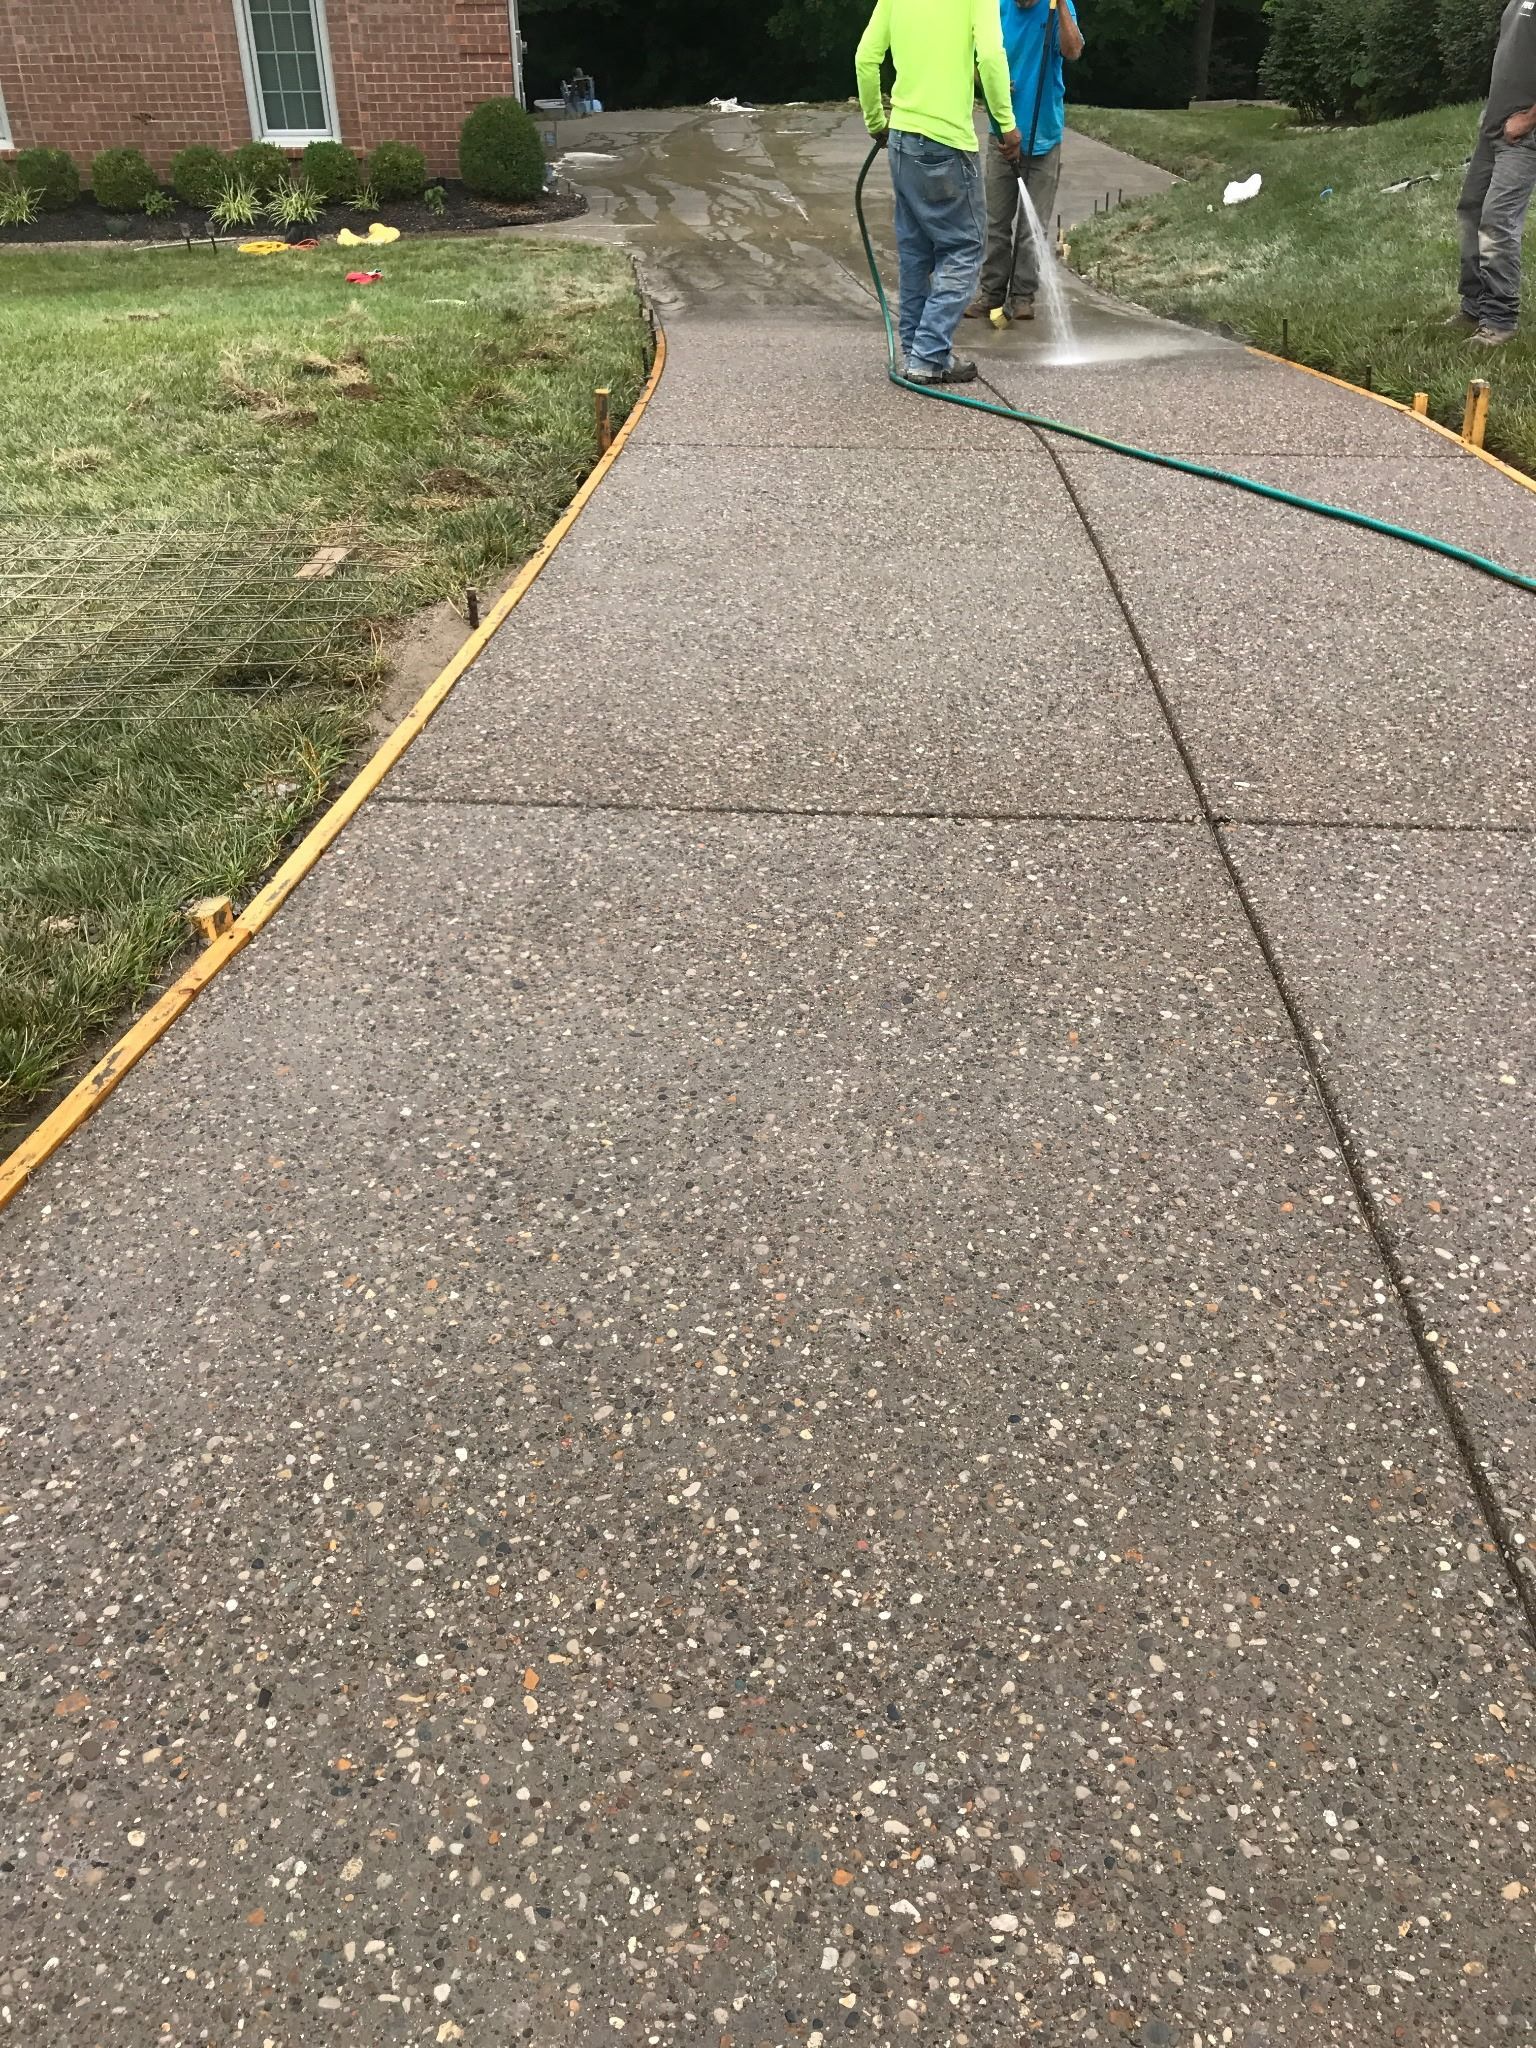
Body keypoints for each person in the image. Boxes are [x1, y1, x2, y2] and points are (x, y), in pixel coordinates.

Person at [855, 0, 1022, 384]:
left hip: (900, 138)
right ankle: (929, 355)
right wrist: (1005, 124)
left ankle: (916, 351)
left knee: (916, 251)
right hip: (946, 143)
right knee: (965, 247)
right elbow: (992, 58)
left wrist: (875, 121)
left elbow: (866, 58)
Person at [969, 0, 1083, 324]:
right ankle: (990, 294)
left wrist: (1060, 5)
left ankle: (1022, 296)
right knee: (995, 220)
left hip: (1044, 134)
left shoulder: (1056, 7)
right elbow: (975, 61)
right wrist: (991, 84)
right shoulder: (996, 7)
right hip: (1002, 134)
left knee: (1032, 228)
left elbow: (1073, 49)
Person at [1453, 0, 1536, 347]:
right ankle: (1473, 307)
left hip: (1523, 134)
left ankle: (1500, 320)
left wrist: (1528, 119)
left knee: (1497, 221)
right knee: (1471, 211)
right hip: (1495, 128)